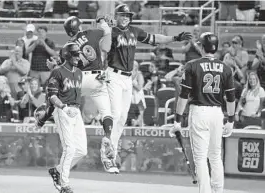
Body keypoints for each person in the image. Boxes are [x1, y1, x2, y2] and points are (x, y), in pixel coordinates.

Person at [107, 4, 192, 172]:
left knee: (123, 116)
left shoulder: (134, 31)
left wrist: (175, 38)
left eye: (127, 15)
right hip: (113, 74)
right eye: (122, 15)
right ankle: (107, 149)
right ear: (117, 16)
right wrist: (106, 26)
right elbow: (101, 41)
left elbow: (155, 38)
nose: (125, 17)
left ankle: (112, 151)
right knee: (116, 113)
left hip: (127, 77)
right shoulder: (112, 31)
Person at [35, 16, 117, 173]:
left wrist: (54, 66)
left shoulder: (66, 47)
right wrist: (106, 25)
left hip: (79, 80)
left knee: (59, 91)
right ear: (79, 26)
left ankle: (47, 113)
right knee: (107, 112)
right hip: (97, 77)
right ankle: (107, 136)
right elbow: (107, 41)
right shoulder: (91, 33)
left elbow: (65, 69)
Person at [169, 32, 236, 193]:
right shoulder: (225, 68)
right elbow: (231, 98)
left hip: (199, 112)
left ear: (202, 46)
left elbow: (183, 95)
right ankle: (218, 191)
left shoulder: (192, 65)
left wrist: (177, 120)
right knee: (215, 156)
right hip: (217, 114)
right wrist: (231, 120)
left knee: (200, 158)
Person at [46, 42, 87, 193]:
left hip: (76, 112)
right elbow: (52, 96)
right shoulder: (57, 72)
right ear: (67, 55)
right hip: (63, 109)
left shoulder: (79, 72)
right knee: (69, 148)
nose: (78, 56)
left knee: (82, 150)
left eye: (78, 53)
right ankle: (64, 185)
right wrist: (63, 107)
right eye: (75, 54)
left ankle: (57, 171)